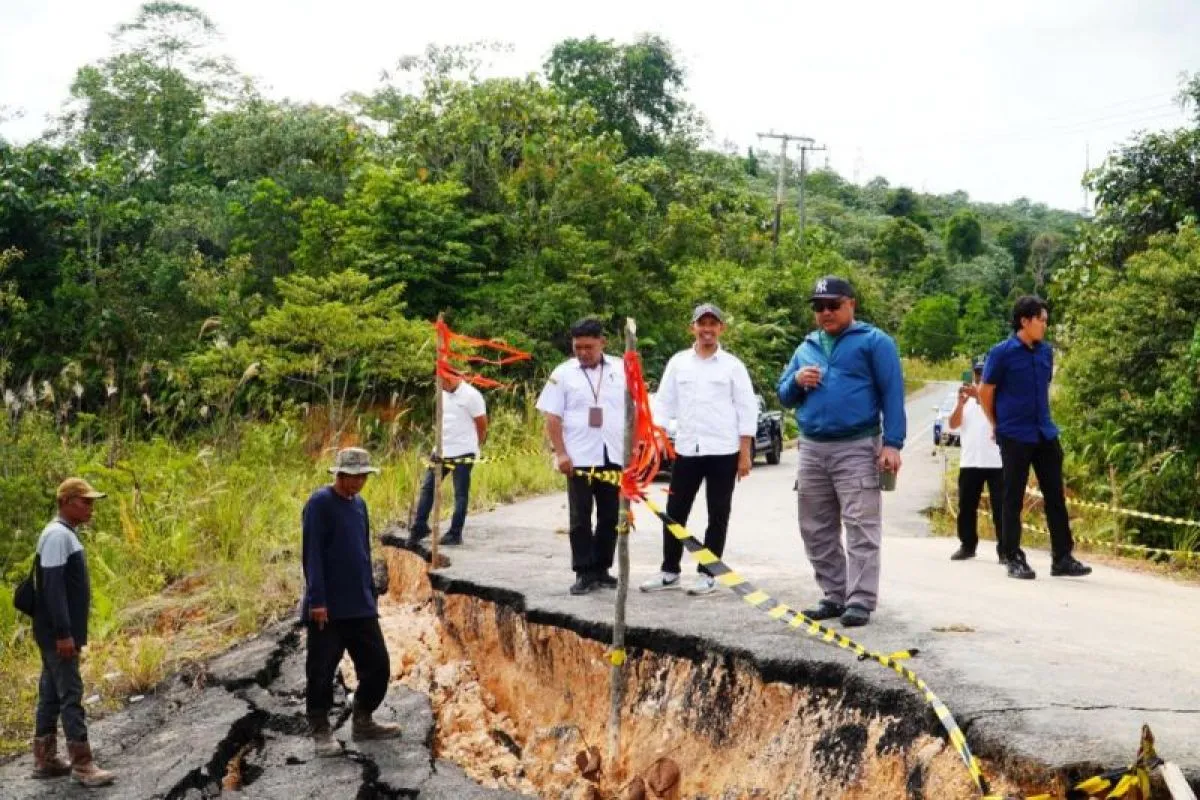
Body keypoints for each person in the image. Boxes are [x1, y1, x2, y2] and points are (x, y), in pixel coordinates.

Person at [777, 276, 906, 627]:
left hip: (857, 445)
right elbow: (784, 394)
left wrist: (892, 443)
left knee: (860, 524)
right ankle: (835, 593)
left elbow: (892, 394)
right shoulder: (806, 345)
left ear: (851, 304)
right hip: (812, 447)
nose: (826, 312)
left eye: (833, 305)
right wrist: (796, 381)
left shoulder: (875, 342)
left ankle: (860, 599)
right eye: (819, 307)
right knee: (815, 526)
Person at [640, 303, 757, 596]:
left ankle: (708, 573)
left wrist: (744, 453)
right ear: (692, 327)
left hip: (723, 450)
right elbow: (664, 403)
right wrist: (657, 439)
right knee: (675, 510)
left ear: (721, 328)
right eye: (701, 323)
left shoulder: (732, 366)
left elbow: (746, 409)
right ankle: (669, 570)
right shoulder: (679, 363)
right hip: (687, 450)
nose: (707, 329)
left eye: (713, 324)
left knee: (718, 513)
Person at [979, 296, 1092, 580]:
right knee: (1012, 496)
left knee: (1055, 495)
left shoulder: (1046, 353)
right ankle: (1012, 556)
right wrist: (997, 423)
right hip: (1014, 434)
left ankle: (1062, 557)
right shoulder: (1001, 353)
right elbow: (985, 392)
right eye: (1041, 320)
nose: (1045, 325)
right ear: (1024, 321)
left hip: (1044, 431)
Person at [301, 447, 402, 757]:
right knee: (321, 672)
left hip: (359, 605)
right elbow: (312, 553)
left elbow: (363, 553)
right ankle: (320, 729)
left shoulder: (359, 505)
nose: (359, 482)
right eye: (354, 476)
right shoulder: (320, 504)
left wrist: (370, 594)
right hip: (328, 608)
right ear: (340, 474)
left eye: (363, 477)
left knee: (378, 667)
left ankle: (363, 719)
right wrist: (317, 600)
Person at [29, 478, 115, 787]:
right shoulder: (57, 536)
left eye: (92, 502)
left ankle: (46, 759)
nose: (91, 508)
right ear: (66, 501)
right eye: (85, 501)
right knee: (71, 695)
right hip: (57, 635)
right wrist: (64, 634)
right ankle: (83, 765)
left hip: (54, 633)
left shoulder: (64, 534)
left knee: (51, 694)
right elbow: (53, 590)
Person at [535, 318, 627, 595]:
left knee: (611, 516)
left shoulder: (622, 369)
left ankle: (602, 568)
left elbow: (635, 409)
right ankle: (584, 571)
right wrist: (561, 453)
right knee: (580, 517)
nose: (583, 352)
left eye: (589, 346)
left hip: (612, 455)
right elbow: (552, 417)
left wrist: (635, 449)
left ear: (603, 342)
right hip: (579, 458)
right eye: (578, 347)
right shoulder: (562, 374)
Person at [408, 373, 488, 546]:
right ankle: (420, 526)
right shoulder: (443, 394)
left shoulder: (472, 395)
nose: (439, 386)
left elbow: (482, 425)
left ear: (450, 379)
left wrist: (475, 446)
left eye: (441, 382)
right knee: (427, 486)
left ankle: (455, 533)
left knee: (460, 493)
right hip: (441, 450)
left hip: (463, 451)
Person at [949, 357, 1005, 562]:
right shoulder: (966, 401)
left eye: (983, 374)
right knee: (966, 506)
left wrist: (980, 397)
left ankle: (1005, 549)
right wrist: (960, 404)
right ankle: (967, 545)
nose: (979, 378)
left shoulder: (997, 398)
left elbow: (1000, 420)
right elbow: (953, 425)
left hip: (996, 461)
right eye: (977, 374)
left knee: (1000, 508)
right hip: (970, 460)